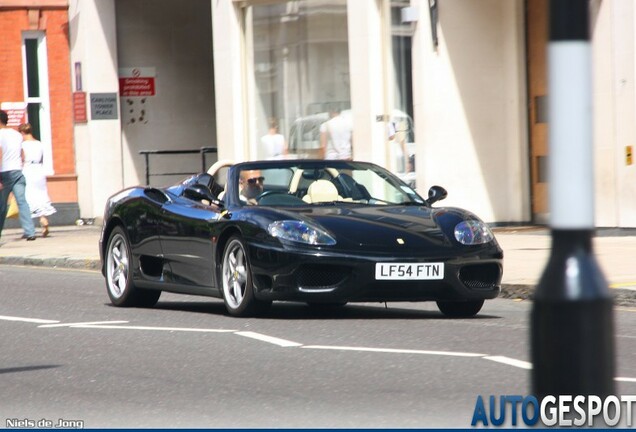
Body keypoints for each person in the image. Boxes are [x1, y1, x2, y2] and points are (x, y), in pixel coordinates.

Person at [0, 110, 36, 242]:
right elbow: (22, 154)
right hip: (18, 172)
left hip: (4, 173)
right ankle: (30, 232)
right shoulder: (17, 135)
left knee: (2, 206)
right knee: (22, 202)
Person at [18, 123, 56, 237]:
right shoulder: (39, 144)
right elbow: (43, 158)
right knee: (41, 194)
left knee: (28, 196)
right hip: (39, 170)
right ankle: (43, 218)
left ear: (23, 132)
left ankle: (28, 228)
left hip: (28, 169)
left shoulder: (23, 145)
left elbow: (22, 159)